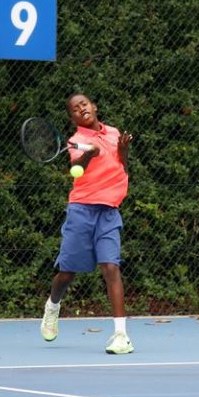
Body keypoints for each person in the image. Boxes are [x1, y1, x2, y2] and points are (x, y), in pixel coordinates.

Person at [40, 93, 134, 354]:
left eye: (84, 104)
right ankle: (52, 306)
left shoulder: (113, 133)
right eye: (75, 108)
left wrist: (123, 151)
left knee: (111, 267)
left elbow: (122, 167)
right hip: (81, 210)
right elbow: (77, 167)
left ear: (94, 107)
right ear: (73, 118)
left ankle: (121, 335)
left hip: (109, 211)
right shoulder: (76, 141)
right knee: (67, 273)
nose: (81, 108)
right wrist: (89, 154)